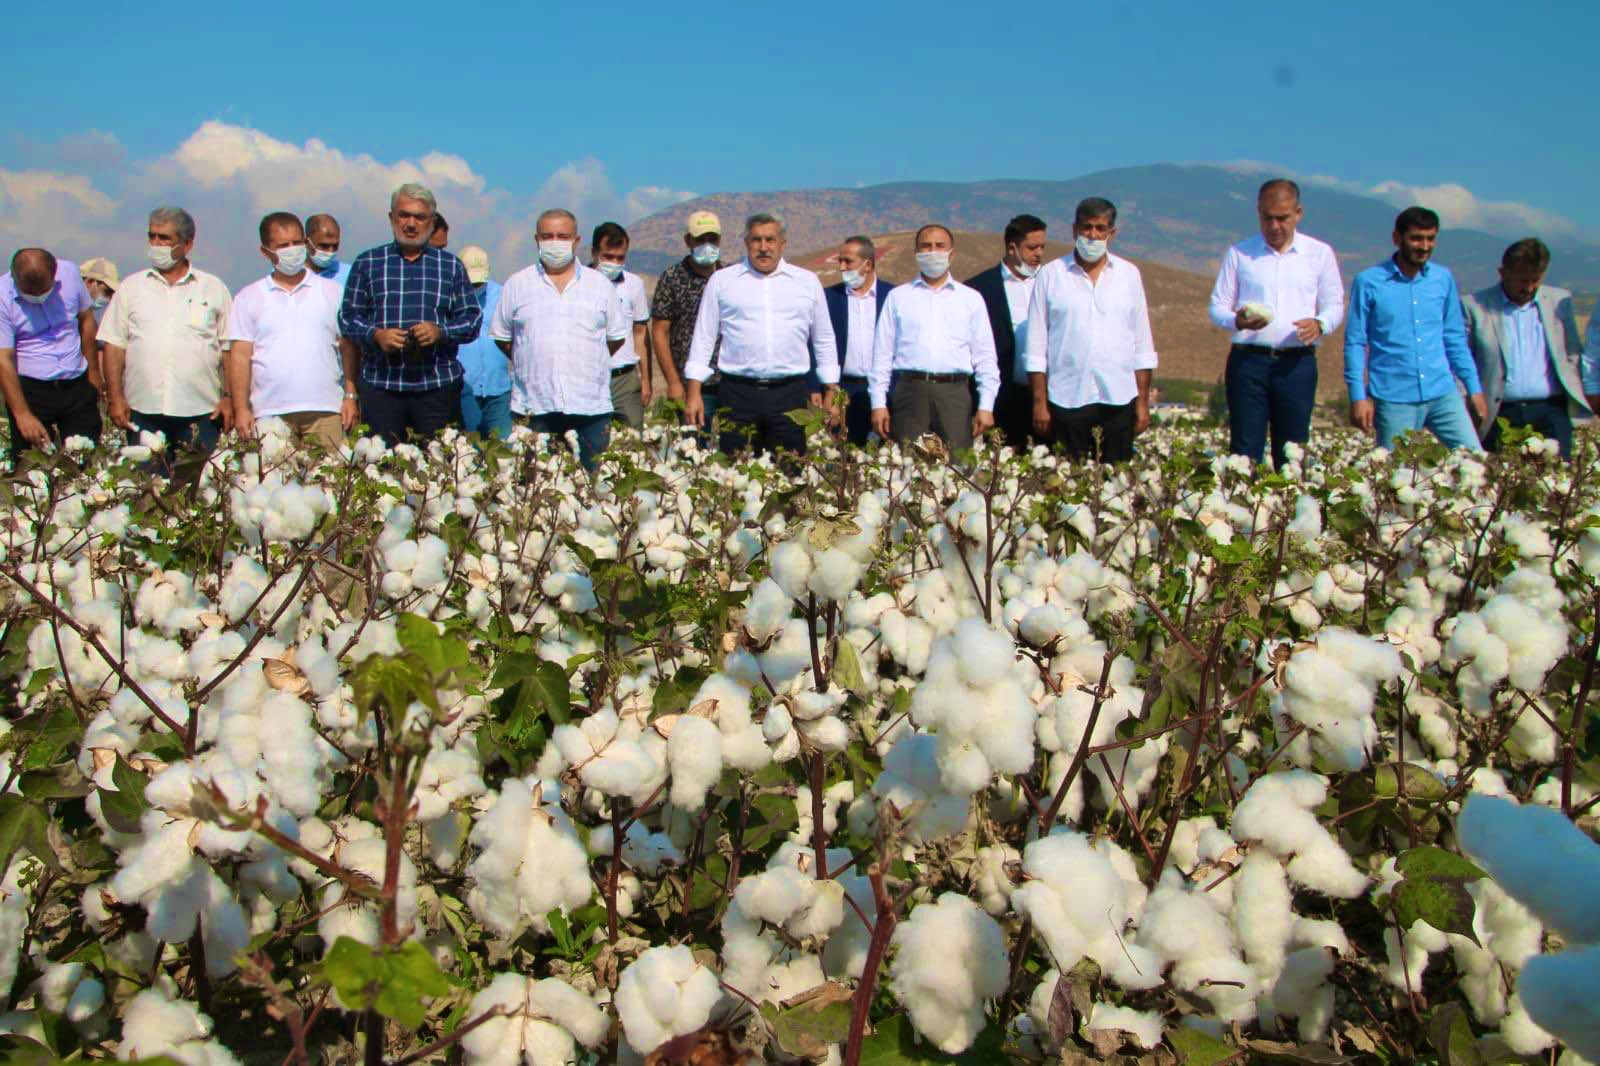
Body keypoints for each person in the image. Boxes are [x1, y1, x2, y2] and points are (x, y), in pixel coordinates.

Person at [1208, 179, 1344, 467]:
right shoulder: (1240, 253)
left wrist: (1320, 324)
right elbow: (1217, 307)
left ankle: (1287, 509)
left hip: (1297, 365)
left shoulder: (1319, 254)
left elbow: (1334, 305)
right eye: (1267, 218)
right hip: (1248, 363)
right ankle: (1244, 507)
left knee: (1292, 450)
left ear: (1298, 214)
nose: (1274, 226)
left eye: (1282, 218)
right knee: (1245, 450)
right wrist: (1238, 321)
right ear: (1258, 212)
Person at [684, 212, 838, 456]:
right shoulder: (722, 281)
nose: (763, 247)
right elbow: (703, 337)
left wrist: (832, 391)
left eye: (770, 240)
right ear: (747, 243)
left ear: (782, 244)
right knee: (735, 476)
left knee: (790, 474)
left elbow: (824, 339)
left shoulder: (806, 282)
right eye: (756, 240)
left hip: (790, 396)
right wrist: (694, 392)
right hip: (737, 395)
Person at [338, 183, 481, 445]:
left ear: (432, 221)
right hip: (382, 386)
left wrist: (440, 332)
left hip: (437, 387)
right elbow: (347, 318)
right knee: (381, 471)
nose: (411, 224)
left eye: (420, 217)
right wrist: (376, 334)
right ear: (391, 217)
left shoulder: (450, 265)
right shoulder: (367, 263)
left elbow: (472, 320)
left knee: (442, 468)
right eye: (404, 215)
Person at [491, 209, 628, 470]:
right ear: (537, 240)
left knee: (593, 486)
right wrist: (531, 357)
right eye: (548, 236)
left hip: (590, 404)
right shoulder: (517, 284)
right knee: (535, 488)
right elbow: (503, 338)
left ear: (576, 241)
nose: (555, 242)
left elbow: (614, 338)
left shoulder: (599, 285)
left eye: (562, 236)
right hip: (535, 403)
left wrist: (586, 360)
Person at [1024, 197, 1157, 463]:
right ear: (1074, 230)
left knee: (1117, 483)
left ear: (1112, 233)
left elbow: (1142, 344)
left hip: (1118, 397)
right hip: (1067, 397)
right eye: (1087, 228)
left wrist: (1142, 402)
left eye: (1100, 228)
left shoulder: (1129, 275)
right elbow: (1036, 345)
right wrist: (1040, 402)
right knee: (1068, 482)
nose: (1093, 235)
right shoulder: (1051, 275)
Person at [1344, 207, 1485, 451]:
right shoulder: (1369, 282)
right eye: (1416, 238)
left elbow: (1454, 337)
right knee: (1398, 475)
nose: (1424, 246)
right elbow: (1356, 342)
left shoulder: (1443, 279)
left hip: (1442, 391)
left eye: (1430, 238)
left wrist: (1473, 387)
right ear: (1397, 238)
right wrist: (1358, 396)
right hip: (1394, 396)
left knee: (1475, 461)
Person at [98, 206, 233, 460]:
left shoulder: (212, 288)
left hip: (200, 411)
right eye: (152, 236)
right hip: (142, 410)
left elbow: (229, 347)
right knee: (149, 489)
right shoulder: (132, 287)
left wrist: (229, 397)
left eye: (165, 238)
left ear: (187, 244)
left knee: (198, 490)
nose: (156, 244)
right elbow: (114, 345)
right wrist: (115, 397)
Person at [225, 212, 360, 452]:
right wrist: (241, 407)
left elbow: (347, 346)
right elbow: (240, 356)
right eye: (283, 245)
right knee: (272, 484)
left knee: (329, 484)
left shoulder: (332, 292)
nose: (292, 250)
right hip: (269, 414)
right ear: (266, 251)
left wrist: (350, 395)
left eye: (297, 243)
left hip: (325, 411)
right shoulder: (249, 297)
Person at [869, 225, 997, 450]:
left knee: (957, 470)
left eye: (940, 246)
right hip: (910, 392)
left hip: (954, 393)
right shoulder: (898, 297)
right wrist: (878, 403)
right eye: (926, 246)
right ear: (916, 253)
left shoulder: (970, 299)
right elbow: (881, 355)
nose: (933, 251)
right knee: (906, 467)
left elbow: (985, 356)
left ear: (952, 253)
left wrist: (986, 405)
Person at [1462, 238, 1590, 457]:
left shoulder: (1560, 301)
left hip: (1551, 410)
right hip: (1499, 412)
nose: (1529, 288)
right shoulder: (1474, 306)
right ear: (1503, 273)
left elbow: (1572, 352)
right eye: (1522, 280)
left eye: (1535, 280)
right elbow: (1462, 358)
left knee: (1558, 481)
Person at [1, 249, 101, 464]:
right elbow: (3, 359)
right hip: (32, 392)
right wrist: (22, 414)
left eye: (43, 291)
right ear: (15, 278)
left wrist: (94, 373)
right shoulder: (2, 295)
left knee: (84, 465)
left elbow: (86, 320)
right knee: (34, 470)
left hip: (77, 387)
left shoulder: (70, 273)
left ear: (54, 275)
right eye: (30, 292)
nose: (38, 298)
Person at [966, 214, 1047, 447]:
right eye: (1032, 247)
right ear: (1012, 248)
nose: (1039, 253)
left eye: (1042, 247)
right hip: (1001, 398)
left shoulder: (1051, 282)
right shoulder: (979, 288)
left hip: (1044, 397)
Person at [651, 211, 730, 426]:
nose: (707, 244)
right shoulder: (673, 278)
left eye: (712, 239)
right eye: (700, 239)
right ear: (688, 241)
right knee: (694, 447)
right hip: (691, 385)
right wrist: (673, 381)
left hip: (732, 381)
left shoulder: (731, 276)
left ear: (720, 240)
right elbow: (659, 332)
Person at [821, 235, 894, 445]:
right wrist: (827, 390)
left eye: (848, 261)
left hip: (885, 390)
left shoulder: (893, 296)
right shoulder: (829, 297)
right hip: (844, 390)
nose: (842, 267)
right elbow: (817, 343)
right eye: (840, 261)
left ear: (868, 264)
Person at [590, 222, 653, 429]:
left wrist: (645, 380)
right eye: (608, 256)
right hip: (590, 376)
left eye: (620, 257)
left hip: (624, 377)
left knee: (634, 442)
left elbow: (640, 334)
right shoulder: (580, 284)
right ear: (594, 253)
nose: (614, 262)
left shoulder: (634, 284)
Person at [453, 246, 511, 439]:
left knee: (504, 452)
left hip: (498, 388)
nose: (476, 286)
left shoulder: (503, 294)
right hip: (465, 388)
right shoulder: (451, 297)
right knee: (471, 450)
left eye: (480, 282)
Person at [79, 256, 119, 378]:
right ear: (90, 283)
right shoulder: (68, 316)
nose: (109, 298)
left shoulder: (92, 318)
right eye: (107, 292)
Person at [305, 214, 352, 288]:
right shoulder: (292, 274)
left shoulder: (350, 273)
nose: (331, 251)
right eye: (324, 246)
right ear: (306, 242)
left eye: (335, 245)